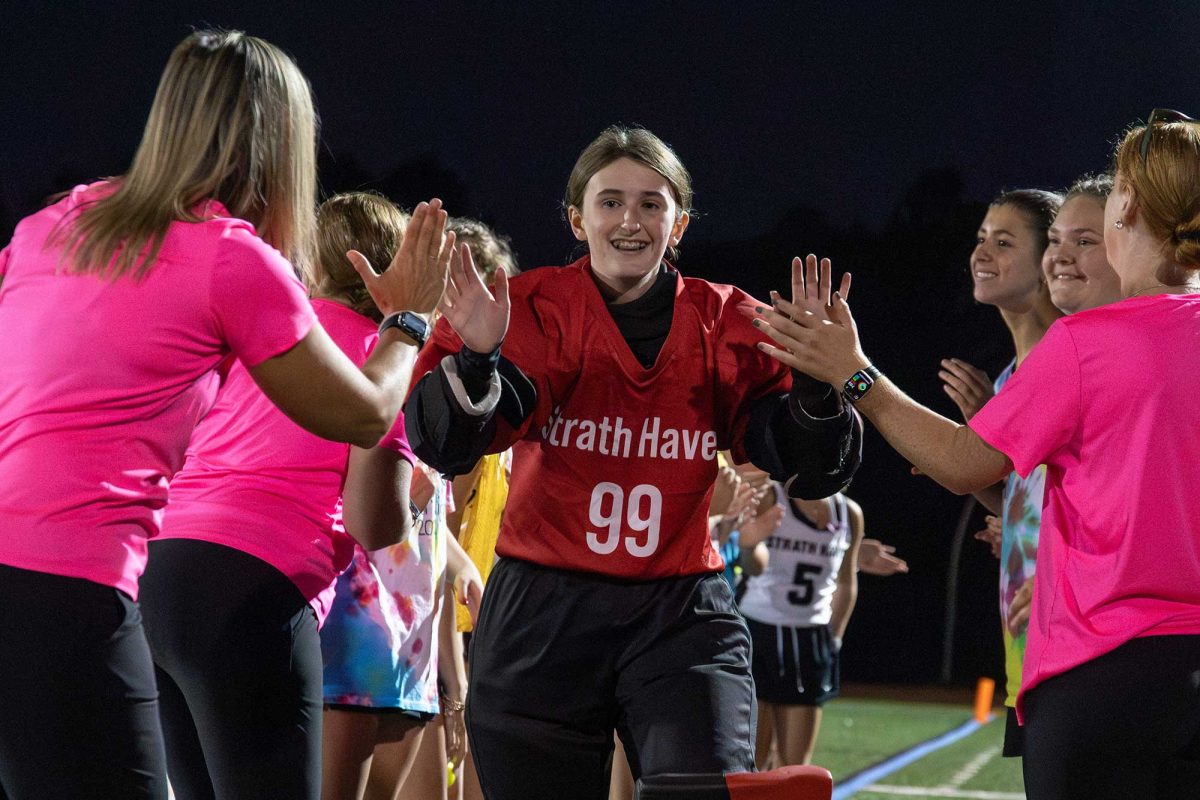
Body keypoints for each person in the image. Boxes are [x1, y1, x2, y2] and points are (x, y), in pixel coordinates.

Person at [0, 31, 449, 800]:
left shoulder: (50, 227)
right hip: (73, 590)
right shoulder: (230, 256)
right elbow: (369, 415)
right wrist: (408, 321)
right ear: (282, 145)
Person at [747, 110, 1200, 800]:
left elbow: (963, 461)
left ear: (1129, 208)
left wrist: (854, 372)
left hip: (1102, 674)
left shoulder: (1088, 344)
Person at [403, 125, 862, 799]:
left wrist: (822, 389)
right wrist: (475, 362)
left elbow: (808, 467)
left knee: (703, 787)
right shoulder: (523, 310)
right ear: (576, 218)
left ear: (678, 224)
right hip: (544, 607)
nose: (630, 219)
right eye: (611, 201)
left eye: (652, 203)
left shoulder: (727, 320)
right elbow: (444, 445)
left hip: (678, 607)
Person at [137, 192, 450, 799]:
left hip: (159, 572)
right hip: (251, 589)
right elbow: (372, 523)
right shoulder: (384, 356)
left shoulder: (263, 337)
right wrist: (415, 501)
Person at [937, 188, 1062, 758]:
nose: (981, 251)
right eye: (981, 237)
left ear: (1049, 260)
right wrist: (1004, 509)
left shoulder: (1071, 358)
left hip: (1074, 640)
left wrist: (854, 376)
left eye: (1004, 241)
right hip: (1028, 652)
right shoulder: (1013, 374)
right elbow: (1039, 493)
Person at [738, 491, 864, 769]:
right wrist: (748, 546)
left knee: (795, 765)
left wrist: (835, 638)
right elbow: (750, 564)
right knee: (754, 759)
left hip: (810, 636)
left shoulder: (849, 513)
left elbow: (845, 581)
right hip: (759, 630)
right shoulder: (773, 497)